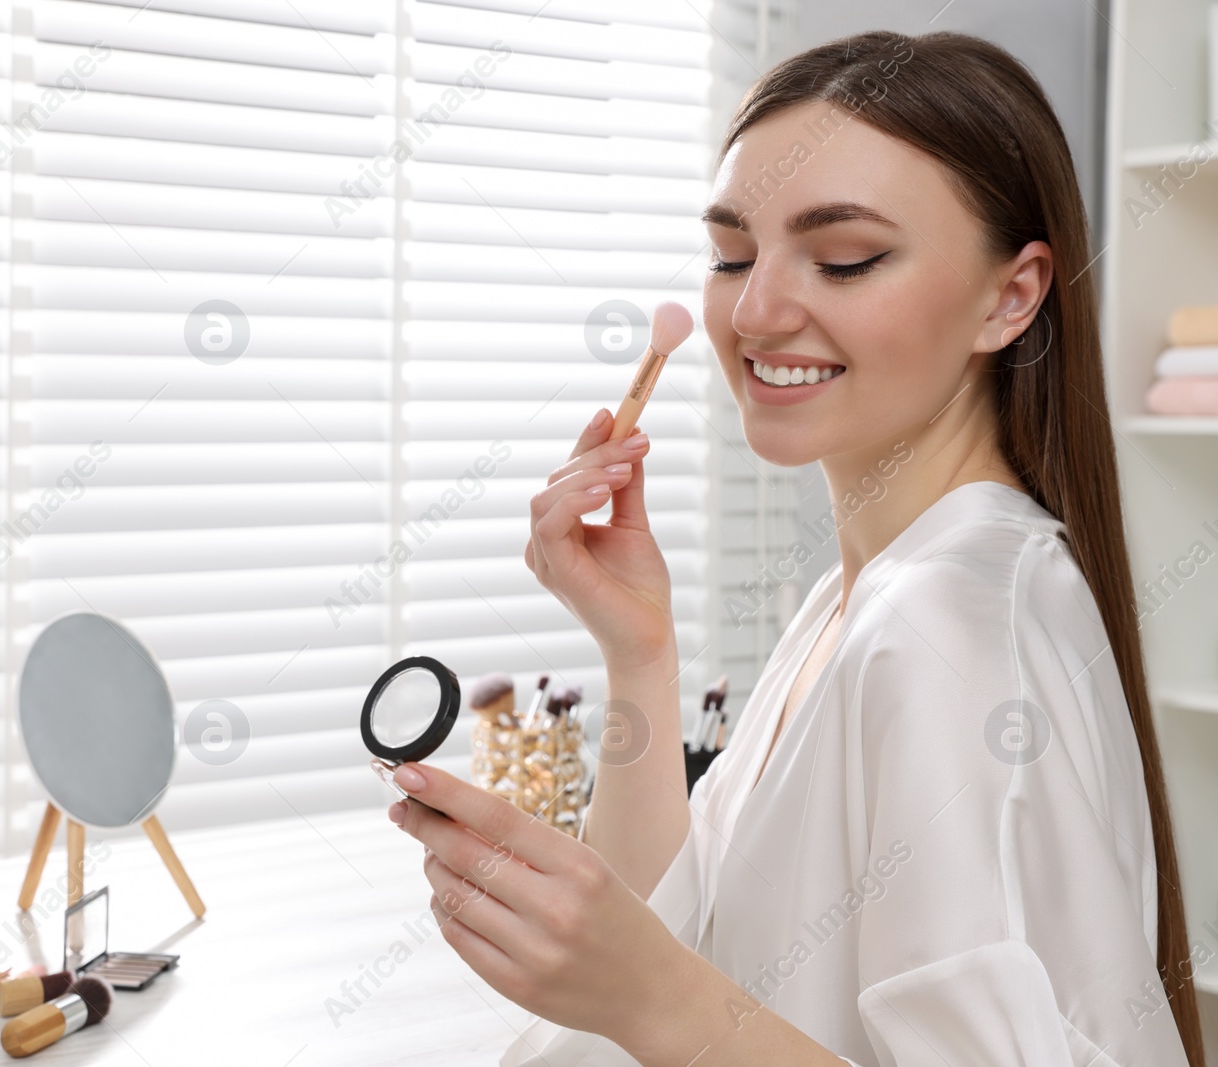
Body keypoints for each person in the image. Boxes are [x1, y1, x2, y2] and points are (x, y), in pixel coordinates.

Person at [384, 30, 1204, 1066]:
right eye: (733, 254)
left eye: (844, 257)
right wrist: (639, 651)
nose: (757, 310)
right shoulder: (857, 595)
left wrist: (658, 999)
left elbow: (670, 991)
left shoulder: (942, 627)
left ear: (1011, 295)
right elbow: (688, 926)